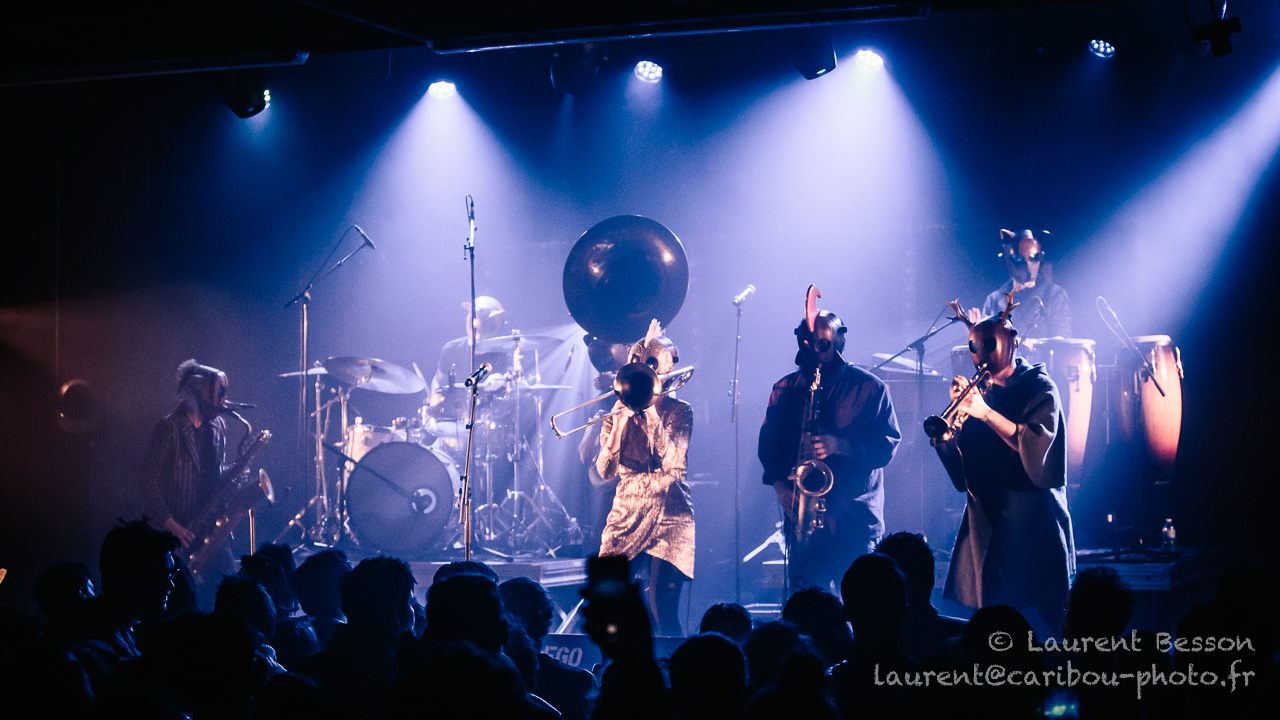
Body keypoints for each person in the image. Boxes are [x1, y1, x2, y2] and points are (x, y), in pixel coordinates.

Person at [936, 291, 1076, 633]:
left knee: (1042, 620)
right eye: (975, 347)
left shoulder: (1040, 388)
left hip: (1031, 520)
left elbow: (1034, 445)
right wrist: (947, 438)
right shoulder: (980, 392)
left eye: (989, 345)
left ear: (1012, 343)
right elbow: (962, 472)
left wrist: (984, 413)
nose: (981, 355)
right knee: (992, 622)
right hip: (987, 517)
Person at [758, 288, 901, 592]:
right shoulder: (784, 388)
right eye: (807, 344)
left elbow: (887, 445)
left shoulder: (871, 387)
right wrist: (781, 487)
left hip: (855, 521)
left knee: (862, 605)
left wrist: (840, 445)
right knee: (807, 608)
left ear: (836, 342)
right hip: (803, 524)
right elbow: (768, 447)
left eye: (821, 345)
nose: (814, 353)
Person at [594, 322, 694, 637]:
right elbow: (604, 470)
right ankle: (617, 661)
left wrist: (650, 413)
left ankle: (672, 664)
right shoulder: (617, 411)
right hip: (627, 509)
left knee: (661, 607)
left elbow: (672, 460)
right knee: (610, 600)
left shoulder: (680, 411)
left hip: (669, 508)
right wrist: (619, 425)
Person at [138, 360, 235, 549]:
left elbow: (211, 473)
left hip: (208, 529)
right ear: (197, 393)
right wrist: (171, 524)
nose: (222, 401)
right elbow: (147, 479)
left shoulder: (218, 426)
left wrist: (233, 473)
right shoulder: (169, 428)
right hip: (176, 533)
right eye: (218, 393)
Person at [972, 229, 1071, 338]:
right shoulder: (994, 300)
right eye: (1019, 260)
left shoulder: (1054, 294)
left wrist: (1034, 345)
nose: (1029, 268)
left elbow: (1062, 338)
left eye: (1034, 258)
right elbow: (987, 343)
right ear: (1006, 261)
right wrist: (975, 332)